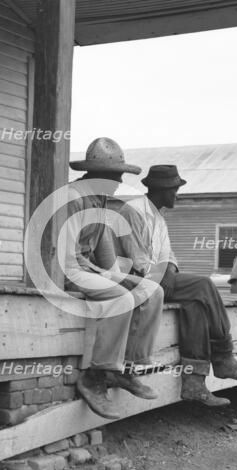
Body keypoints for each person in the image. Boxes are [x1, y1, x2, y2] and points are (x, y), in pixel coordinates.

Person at [115, 164, 237, 407]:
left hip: (160, 278)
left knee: (194, 305)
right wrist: (166, 275)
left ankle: (194, 384)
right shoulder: (133, 212)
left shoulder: (157, 217)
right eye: (174, 189)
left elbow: (169, 255)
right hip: (137, 281)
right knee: (203, 285)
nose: (177, 195)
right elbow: (138, 260)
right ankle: (224, 357)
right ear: (162, 189)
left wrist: (171, 271)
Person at [66, 137, 165, 419]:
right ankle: (96, 375)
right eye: (114, 177)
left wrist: (123, 278)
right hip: (65, 269)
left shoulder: (100, 200)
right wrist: (111, 281)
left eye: (119, 177)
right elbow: (62, 253)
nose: (118, 182)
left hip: (88, 270)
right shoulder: (73, 199)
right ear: (97, 175)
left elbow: (103, 248)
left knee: (151, 291)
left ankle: (127, 369)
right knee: (120, 297)